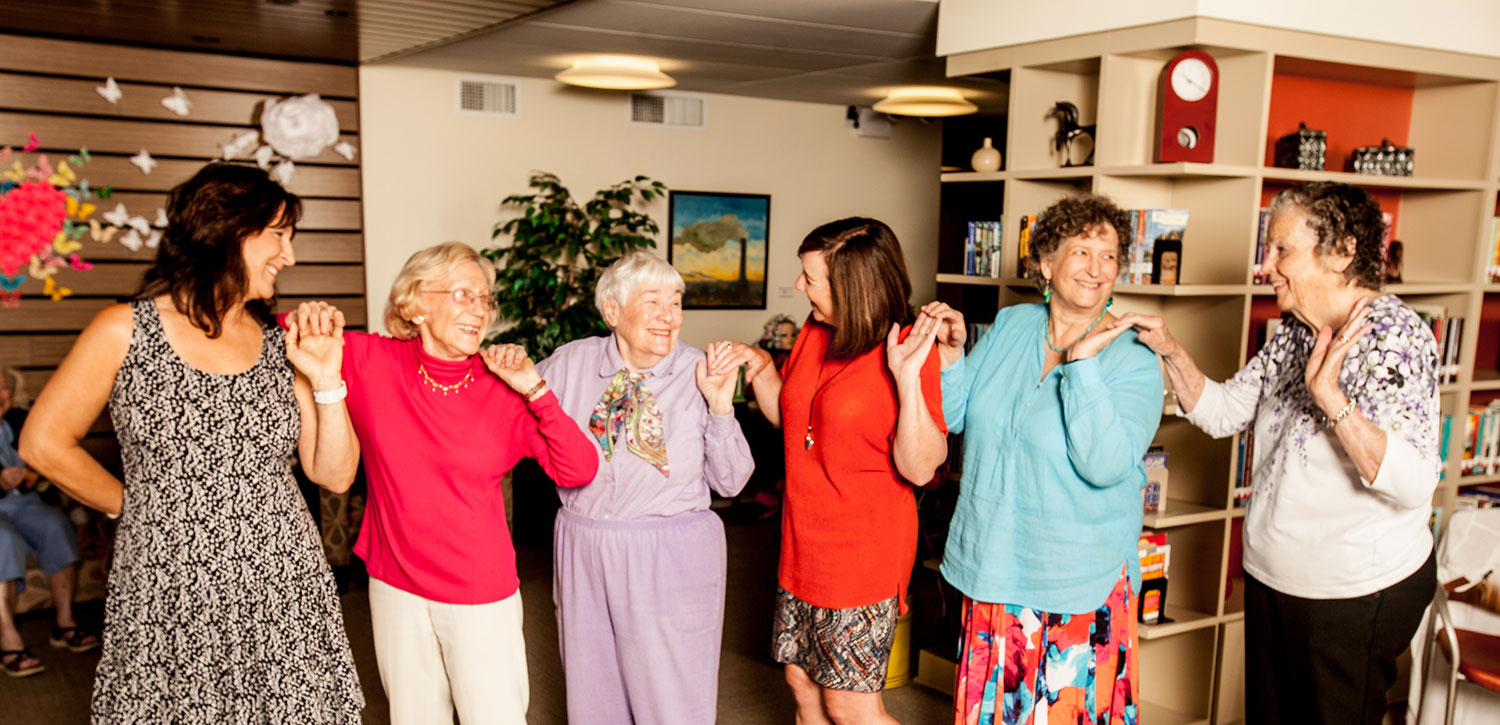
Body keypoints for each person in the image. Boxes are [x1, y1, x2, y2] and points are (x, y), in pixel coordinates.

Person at [19, 163, 363, 721]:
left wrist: (327, 379)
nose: (290, 256)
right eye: (279, 235)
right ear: (227, 230)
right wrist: (139, 511)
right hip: (171, 584)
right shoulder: (124, 330)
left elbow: (335, 475)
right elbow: (43, 443)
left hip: (282, 583)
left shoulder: (282, 343)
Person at [1113, 182, 1439, 725]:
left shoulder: (1396, 338)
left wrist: (1330, 399)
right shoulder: (1292, 333)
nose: (1266, 266)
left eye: (1281, 249)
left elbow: (1413, 485)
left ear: (1341, 252)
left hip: (1352, 593)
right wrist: (1172, 352)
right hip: (1274, 578)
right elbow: (1221, 412)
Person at [291, 241, 599, 725]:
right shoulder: (372, 362)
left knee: (493, 717)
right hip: (395, 584)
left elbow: (578, 469)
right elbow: (276, 325)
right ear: (417, 304)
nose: (479, 310)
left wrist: (534, 388)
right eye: (463, 294)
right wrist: (312, 312)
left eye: (485, 299)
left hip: (479, 591)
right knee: (413, 717)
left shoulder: (502, 387)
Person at [921, 193, 1163, 725]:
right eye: (1082, 252)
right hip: (995, 564)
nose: (1097, 269)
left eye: (1109, 255)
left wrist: (1082, 366)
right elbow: (958, 415)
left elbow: (1104, 464)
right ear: (1046, 263)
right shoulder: (1011, 325)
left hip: (1077, 579)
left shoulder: (1136, 359)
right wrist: (953, 354)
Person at [718, 217, 948, 724]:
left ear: (853, 286)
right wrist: (759, 367)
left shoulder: (908, 349)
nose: (799, 285)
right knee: (801, 682)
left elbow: (920, 467)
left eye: (811, 278)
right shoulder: (815, 329)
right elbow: (794, 420)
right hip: (802, 547)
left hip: (861, 557)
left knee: (850, 706)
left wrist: (907, 380)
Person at [535, 251, 754, 724]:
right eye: (652, 301)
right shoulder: (570, 363)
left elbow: (733, 482)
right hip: (584, 544)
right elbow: (508, 416)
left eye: (675, 302)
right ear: (612, 311)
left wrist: (720, 407)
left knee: (671, 695)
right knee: (594, 691)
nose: (668, 316)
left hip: (668, 550)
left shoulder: (699, 369)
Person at [0, 366, 100, 679]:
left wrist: (35, 475)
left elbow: (47, 459)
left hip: (24, 502)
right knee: (4, 539)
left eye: (1, 387)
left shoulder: (19, 419)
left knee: (56, 525)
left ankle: (64, 622)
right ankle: (8, 639)